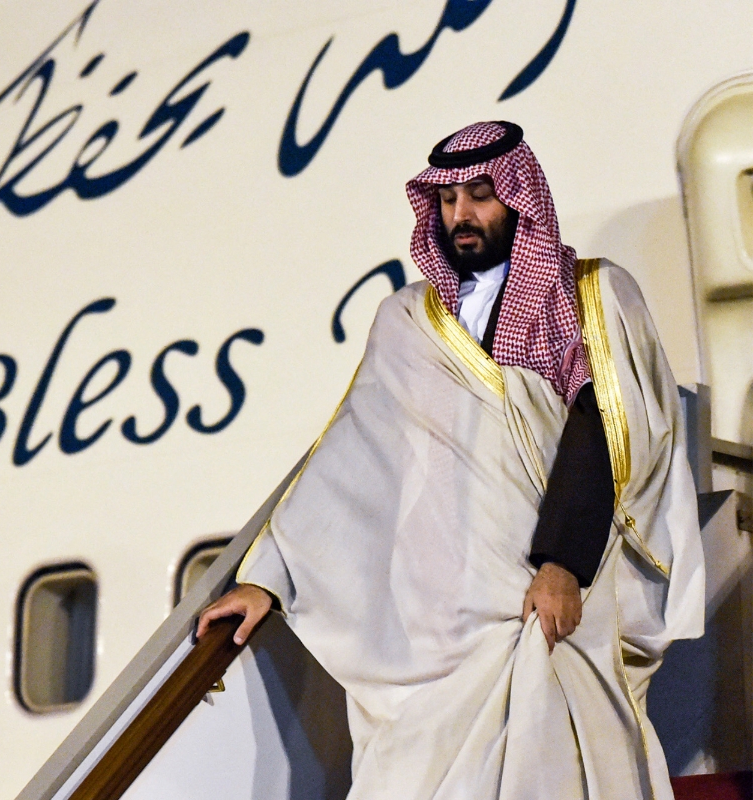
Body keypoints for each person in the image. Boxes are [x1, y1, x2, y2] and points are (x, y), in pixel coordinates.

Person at [197, 121, 704, 799]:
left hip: (544, 599)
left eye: (480, 196)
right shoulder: (407, 321)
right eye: (447, 200)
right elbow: (350, 460)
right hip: (435, 624)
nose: (460, 215)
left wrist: (563, 565)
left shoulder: (589, 296)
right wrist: (268, 578)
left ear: (519, 200)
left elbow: (607, 432)